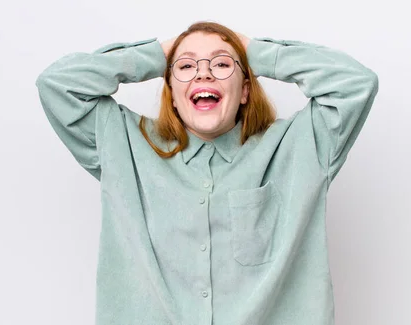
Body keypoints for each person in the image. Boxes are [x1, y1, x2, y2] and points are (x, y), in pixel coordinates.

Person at [36, 21, 379, 325]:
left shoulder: (303, 145)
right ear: (171, 94)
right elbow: (58, 84)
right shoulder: (121, 143)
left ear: (245, 90)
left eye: (221, 63)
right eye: (186, 66)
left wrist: (256, 53)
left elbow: (355, 84)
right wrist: (158, 55)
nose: (203, 73)